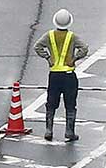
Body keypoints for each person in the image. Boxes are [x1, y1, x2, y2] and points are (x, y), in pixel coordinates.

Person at [33, 9, 88, 142]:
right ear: (69, 22)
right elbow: (84, 48)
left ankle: (48, 130)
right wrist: (74, 59)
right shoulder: (72, 37)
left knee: (51, 103)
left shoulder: (49, 35)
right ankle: (69, 131)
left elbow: (37, 46)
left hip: (54, 74)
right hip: (69, 74)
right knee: (70, 104)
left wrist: (48, 58)